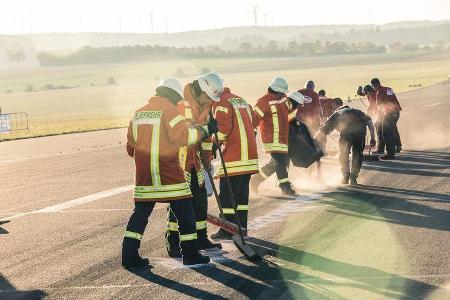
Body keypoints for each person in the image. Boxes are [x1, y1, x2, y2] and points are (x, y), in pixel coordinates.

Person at [122, 78, 216, 268]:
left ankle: (129, 256)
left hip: (144, 177)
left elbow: (130, 147)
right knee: (186, 213)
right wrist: (205, 131)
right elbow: (183, 137)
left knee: (139, 216)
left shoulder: (138, 113)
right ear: (173, 95)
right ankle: (190, 254)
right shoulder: (171, 111)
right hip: (169, 174)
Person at [165, 73, 223, 258]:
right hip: (178, 161)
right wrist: (205, 129)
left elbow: (205, 138)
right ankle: (173, 242)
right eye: (207, 96)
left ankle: (200, 238)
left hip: (194, 162)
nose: (209, 100)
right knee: (179, 205)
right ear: (200, 89)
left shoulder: (207, 106)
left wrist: (207, 159)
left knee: (200, 200)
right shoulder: (181, 104)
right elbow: (184, 134)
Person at [210, 87, 259, 240]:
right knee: (241, 197)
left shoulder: (221, 103)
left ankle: (227, 229)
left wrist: (211, 143)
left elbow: (223, 130)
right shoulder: (240, 99)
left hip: (235, 157)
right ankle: (241, 227)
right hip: (249, 157)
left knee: (226, 196)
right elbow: (254, 121)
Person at [314, 99, 376, 185]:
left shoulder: (337, 113)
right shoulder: (358, 111)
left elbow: (324, 129)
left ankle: (345, 176)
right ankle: (353, 177)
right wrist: (373, 137)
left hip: (347, 134)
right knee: (357, 154)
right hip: (360, 132)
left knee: (344, 153)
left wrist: (314, 141)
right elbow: (370, 123)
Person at [253, 77, 296, 195]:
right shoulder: (262, 102)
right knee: (280, 162)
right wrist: (251, 131)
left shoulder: (282, 98)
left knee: (276, 163)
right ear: (276, 90)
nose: (283, 94)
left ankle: (255, 180)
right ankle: (285, 187)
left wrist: (295, 106)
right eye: (282, 92)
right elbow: (253, 119)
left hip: (283, 137)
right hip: (271, 139)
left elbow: (289, 110)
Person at [371, 78, 402, 159]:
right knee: (391, 131)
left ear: (373, 85)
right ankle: (396, 148)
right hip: (397, 112)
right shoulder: (389, 89)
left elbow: (380, 107)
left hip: (389, 113)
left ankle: (390, 154)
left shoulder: (378, 93)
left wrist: (378, 119)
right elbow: (394, 99)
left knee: (386, 133)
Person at [358, 85, 385, 152]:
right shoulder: (370, 93)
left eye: (366, 93)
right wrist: (359, 92)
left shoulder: (374, 96)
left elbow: (371, 108)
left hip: (382, 113)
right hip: (377, 112)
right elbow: (362, 94)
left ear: (369, 91)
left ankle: (380, 148)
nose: (366, 95)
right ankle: (397, 145)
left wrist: (367, 117)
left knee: (380, 130)